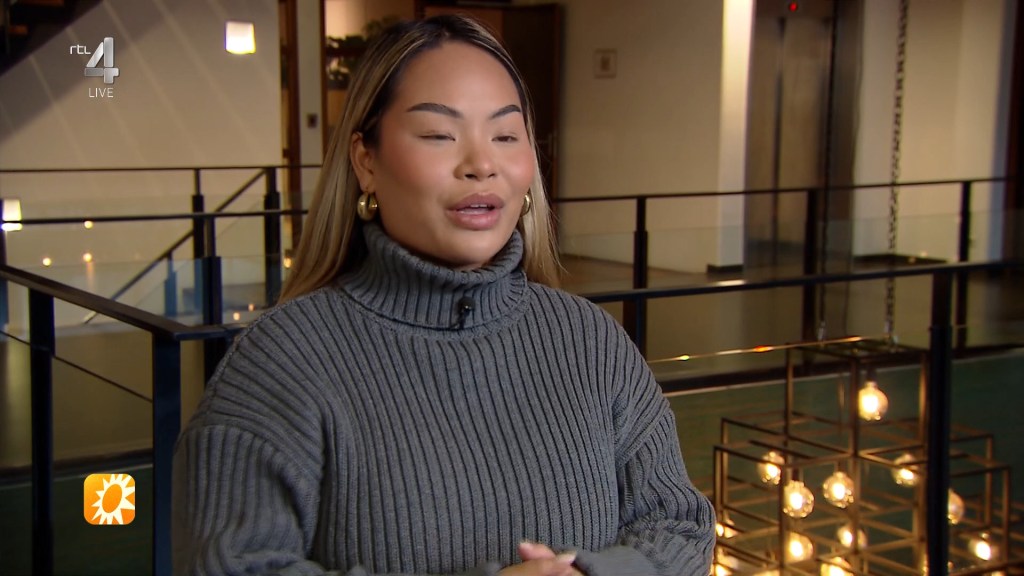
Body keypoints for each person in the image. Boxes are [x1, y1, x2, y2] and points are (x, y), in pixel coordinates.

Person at [173, 14, 715, 576]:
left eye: (505, 136)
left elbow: (680, 525)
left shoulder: (590, 340)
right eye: (439, 135)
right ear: (365, 160)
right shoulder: (279, 362)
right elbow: (232, 566)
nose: (481, 165)